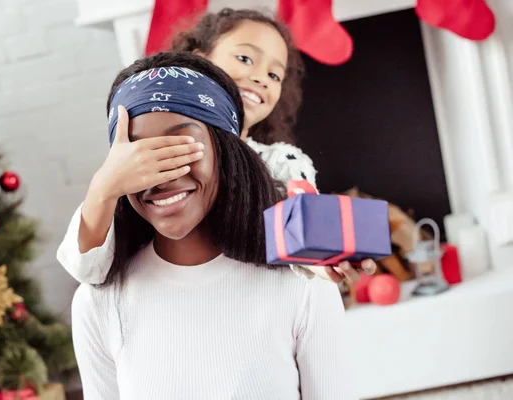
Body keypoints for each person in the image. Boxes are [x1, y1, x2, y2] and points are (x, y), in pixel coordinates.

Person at [71, 51, 355, 399]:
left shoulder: (302, 285)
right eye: (139, 155)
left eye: (180, 146)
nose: (161, 176)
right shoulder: (98, 305)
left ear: (225, 150)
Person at [57, 8, 376, 287]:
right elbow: (87, 265)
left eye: (274, 74)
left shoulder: (281, 164)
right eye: (245, 58)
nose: (261, 78)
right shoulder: (145, 158)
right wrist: (104, 187)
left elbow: (300, 222)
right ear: (199, 58)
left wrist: (321, 258)